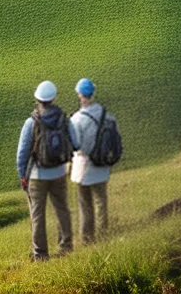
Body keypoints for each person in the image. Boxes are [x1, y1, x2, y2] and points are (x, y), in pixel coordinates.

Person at [16, 80, 74, 261]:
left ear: (37, 99)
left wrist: (23, 176)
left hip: (37, 175)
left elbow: (22, 154)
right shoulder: (64, 120)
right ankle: (66, 247)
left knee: (37, 214)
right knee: (62, 209)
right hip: (59, 172)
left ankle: (40, 254)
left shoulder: (31, 123)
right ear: (54, 97)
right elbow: (74, 144)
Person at [69, 77, 112, 244]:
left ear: (80, 95)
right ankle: (104, 235)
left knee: (84, 204)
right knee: (101, 201)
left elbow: (75, 145)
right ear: (93, 93)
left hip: (83, 166)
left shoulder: (76, 119)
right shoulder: (105, 114)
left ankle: (87, 239)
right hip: (102, 163)